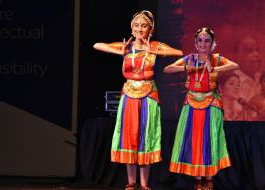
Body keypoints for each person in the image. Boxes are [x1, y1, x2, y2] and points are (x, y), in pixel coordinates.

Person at [93, 10, 183, 190]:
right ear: (131, 28)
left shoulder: (155, 45)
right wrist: (118, 50)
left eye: (143, 26)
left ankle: (144, 184)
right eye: (136, 25)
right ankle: (130, 183)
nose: (139, 29)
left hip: (148, 95)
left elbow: (178, 52)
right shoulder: (126, 46)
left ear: (151, 29)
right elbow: (97, 45)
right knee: (129, 137)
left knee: (145, 136)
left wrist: (154, 50)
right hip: (129, 95)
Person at [164, 27, 238, 190]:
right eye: (200, 41)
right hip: (191, 104)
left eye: (207, 41)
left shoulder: (216, 59)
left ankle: (209, 179)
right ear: (195, 43)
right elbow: (167, 69)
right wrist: (185, 68)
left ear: (212, 44)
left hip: (211, 103)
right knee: (195, 141)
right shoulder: (190, 59)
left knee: (209, 140)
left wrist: (215, 69)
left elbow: (234, 65)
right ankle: (198, 180)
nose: (203, 44)